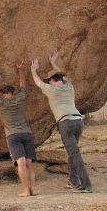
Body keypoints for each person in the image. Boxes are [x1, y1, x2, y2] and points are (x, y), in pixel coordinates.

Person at [31, 52, 92, 193]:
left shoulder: (51, 90)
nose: (49, 82)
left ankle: (86, 185)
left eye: (50, 80)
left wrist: (33, 70)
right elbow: (61, 76)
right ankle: (73, 180)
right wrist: (53, 63)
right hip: (78, 121)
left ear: (52, 80)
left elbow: (37, 82)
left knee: (74, 154)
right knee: (72, 152)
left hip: (66, 123)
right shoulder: (69, 87)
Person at [0, 61, 37, 197]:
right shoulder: (20, 99)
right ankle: (33, 189)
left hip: (13, 136)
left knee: (21, 163)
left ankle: (25, 191)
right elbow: (23, 86)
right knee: (29, 164)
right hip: (27, 133)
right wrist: (21, 70)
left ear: (4, 94)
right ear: (12, 92)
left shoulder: (1, 103)